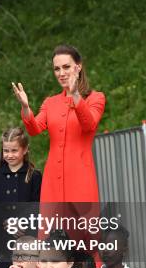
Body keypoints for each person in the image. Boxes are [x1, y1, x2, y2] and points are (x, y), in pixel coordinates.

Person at [12, 44, 106, 203]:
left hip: (80, 180)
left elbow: (89, 125)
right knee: (50, 226)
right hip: (52, 181)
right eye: (57, 69)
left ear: (78, 67)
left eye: (66, 67)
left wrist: (75, 94)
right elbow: (34, 129)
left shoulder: (95, 98)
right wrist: (25, 107)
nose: (61, 73)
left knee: (80, 227)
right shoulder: (50, 102)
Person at [0, 127, 41, 268]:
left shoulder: (34, 175)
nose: (9, 155)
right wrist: (7, 220)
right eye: (6, 151)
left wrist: (22, 222)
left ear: (25, 150)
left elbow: (37, 204)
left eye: (14, 150)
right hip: (1, 236)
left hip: (26, 234)